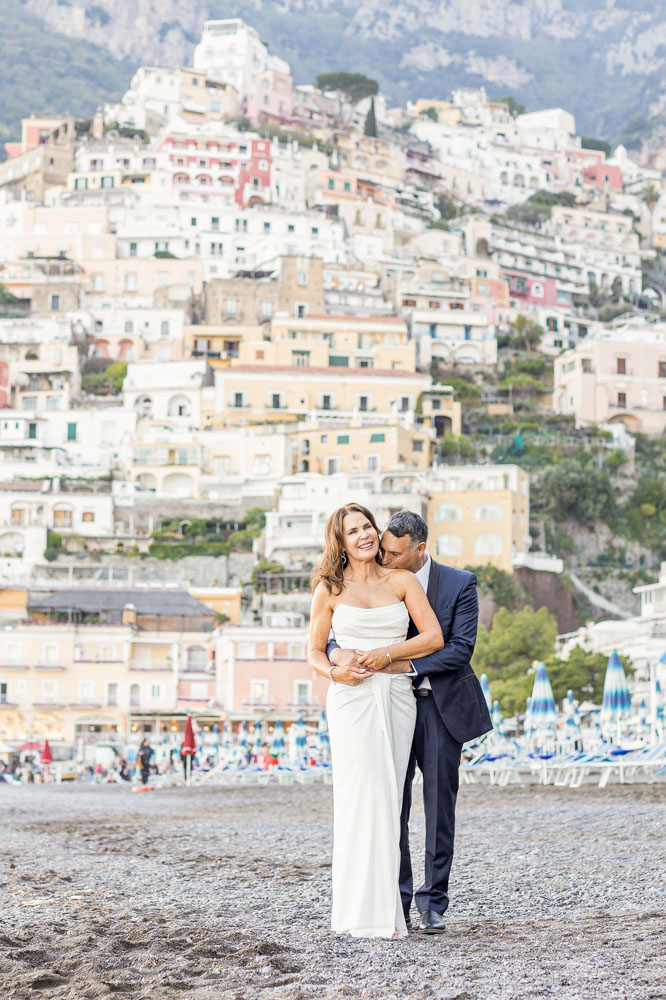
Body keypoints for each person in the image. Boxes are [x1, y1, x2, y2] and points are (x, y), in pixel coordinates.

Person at [331, 510, 492, 934]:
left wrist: (401, 667)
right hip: (385, 707)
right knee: (390, 805)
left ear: (421, 550)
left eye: (395, 553)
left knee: (440, 807)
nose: (385, 557)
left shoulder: (461, 583)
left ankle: (433, 902)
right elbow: (338, 629)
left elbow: (459, 649)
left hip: (440, 707)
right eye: (383, 548)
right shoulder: (375, 578)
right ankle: (396, 899)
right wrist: (337, 657)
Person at [309, 502, 443, 939]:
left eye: (368, 526)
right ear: (341, 542)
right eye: (353, 531)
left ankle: (387, 913)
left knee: (387, 799)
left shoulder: (401, 581)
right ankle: (353, 913)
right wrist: (335, 671)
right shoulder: (328, 588)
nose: (365, 535)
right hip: (350, 699)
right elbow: (312, 650)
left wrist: (388, 654)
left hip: (396, 697)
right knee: (356, 798)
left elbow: (432, 637)